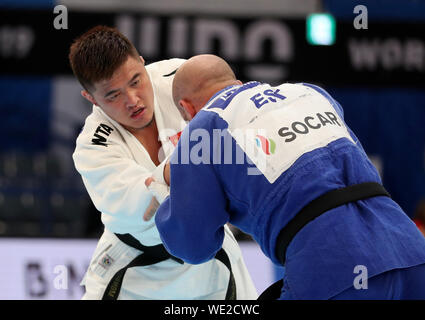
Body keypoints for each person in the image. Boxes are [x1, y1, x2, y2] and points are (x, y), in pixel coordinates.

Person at [148, 54, 425, 300]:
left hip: (332, 270)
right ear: (236, 81)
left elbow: (193, 245)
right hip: (410, 251)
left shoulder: (203, 126)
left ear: (187, 108)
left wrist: (165, 188)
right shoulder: (312, 93)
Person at [69, 26, 257, 300]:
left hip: (212, 257)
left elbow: (240, 113)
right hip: (136, 268)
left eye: (136, 80)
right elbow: (142, 205)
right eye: (113, 95)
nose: (133, 100)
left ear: (143, 62)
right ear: (91, 99)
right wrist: (194, 161)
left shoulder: (181, 79)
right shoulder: (93, 148)